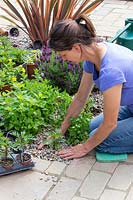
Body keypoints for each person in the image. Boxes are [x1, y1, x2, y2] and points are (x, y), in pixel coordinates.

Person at [48, 14, 133, 160]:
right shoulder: (92, 58)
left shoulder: (110, 70)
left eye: (64, 54)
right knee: (92, 128)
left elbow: (110, 123)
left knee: (99, 142)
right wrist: (61, 129)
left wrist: (85, 148)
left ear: (76, 47)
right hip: (131, 107)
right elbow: (80, 98)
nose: (63, 59)